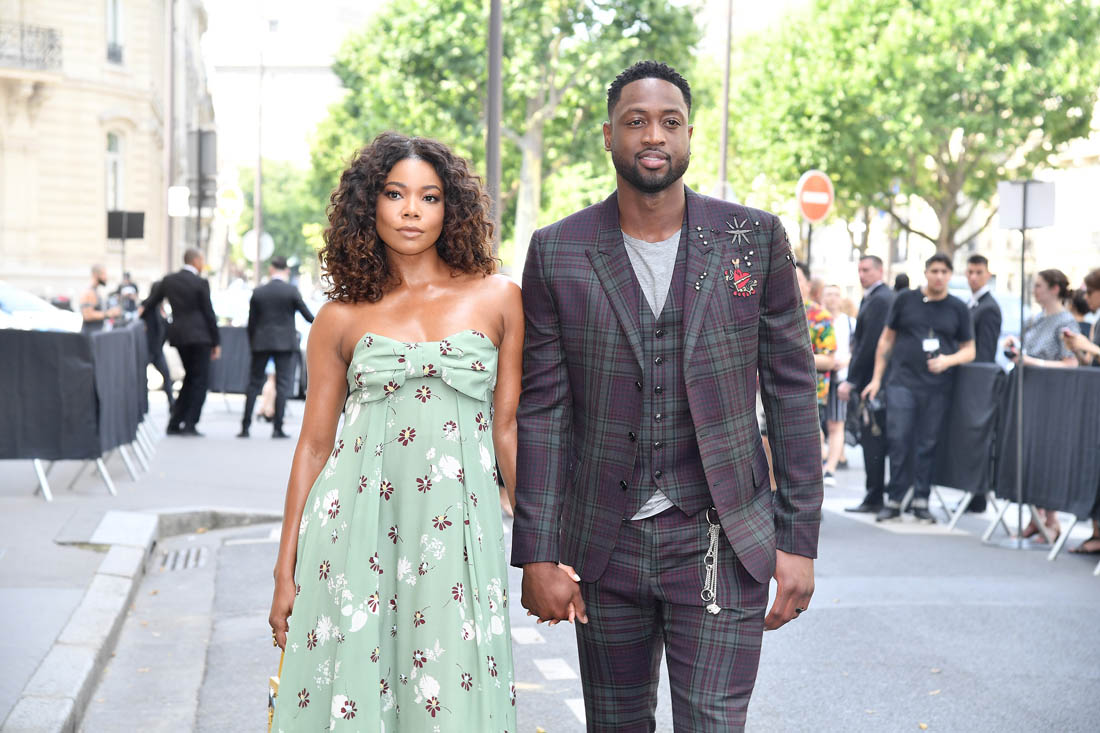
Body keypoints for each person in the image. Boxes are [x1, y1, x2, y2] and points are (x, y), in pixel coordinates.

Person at [512, 61, 822, 731]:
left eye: (669, 121)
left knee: (713, 722)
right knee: (616, 723)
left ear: (688, 135)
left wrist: (799, 540)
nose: (653, 135)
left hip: (721, 538)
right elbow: (543, 412)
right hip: (604, 543)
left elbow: (793, 393)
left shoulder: (753, 239)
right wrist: (536, 551)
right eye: (636, 121)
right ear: (609, 135)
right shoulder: (558, 250)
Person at [268, 133, 521, 731]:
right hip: (354, 532)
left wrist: (547, 549)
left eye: (429, 197)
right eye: (394, 194)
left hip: (458, 532)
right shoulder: (339, 317)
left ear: (450, 208)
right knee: (357, 690)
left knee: (450, 696)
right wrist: (285, 570)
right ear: (369, 205)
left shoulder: (499, 298)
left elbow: (508, 429)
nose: (412, 210)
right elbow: (313, 447)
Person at [863, 253, 975, 523]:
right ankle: (895, 499)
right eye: (934, 271)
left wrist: (947, 360)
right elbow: (886, 340)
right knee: (899, 439)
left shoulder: (958, 307)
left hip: (938, 386)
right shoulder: (905, 299)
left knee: (928, 442)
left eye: (944, 272)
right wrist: (877, 379)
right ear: (926, 272)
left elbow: (969, 350)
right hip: (902, 382)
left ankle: (921, 499)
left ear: (950, 275)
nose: (939, 276)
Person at [1003, 268, 1079, 541]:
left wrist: (1035, 362)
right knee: (1030, 452)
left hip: (1052, 396)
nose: (1035, 291)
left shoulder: (1065, 321)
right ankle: (1036, 517)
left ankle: (1050, 519)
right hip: (1030, 393)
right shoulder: (1035, 319)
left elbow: (1071, 363)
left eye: (1039, 286)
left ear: (1054, 289)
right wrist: (1016, 346)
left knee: (1048, 453)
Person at [142, 249, 221, 436]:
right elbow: (209, 313)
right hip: (201, 337)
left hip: (180, 336)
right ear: (195, 260)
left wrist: (142, 319)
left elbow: (150, 303)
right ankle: (190, 423)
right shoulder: (200, 282)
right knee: (200, 380)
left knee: (191, 378)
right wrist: (216, 341)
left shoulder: (169, 280)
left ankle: (176, 421)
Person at [838, 255, 895, 513]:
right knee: (873, 439)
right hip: (874, 379)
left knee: (873, 439)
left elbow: (869, 344)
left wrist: (852, 380)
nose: (862, 275)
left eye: (867, 270)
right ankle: (874, 494)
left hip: (873, 381)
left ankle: (874, 496)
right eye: (859, 270)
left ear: (880, 271)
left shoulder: (880, 299)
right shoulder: (875, 297)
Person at [237, 255, 314, 439]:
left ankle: (245, 427)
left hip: (261, 343)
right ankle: (277, 428)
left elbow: (251, 323)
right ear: (286, 270)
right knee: (282, 384)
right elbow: (308, 316)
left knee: (254, 384)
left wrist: (253, 342)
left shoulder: (259, 292)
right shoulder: (291, 291)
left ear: (271, 269)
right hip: (285, 343)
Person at [794, 263, 837, 481]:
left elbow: (829, 360)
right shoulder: (769, 312)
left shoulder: (820, 316)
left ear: (808, 285)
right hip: (769, 392)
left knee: (805, 452)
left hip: (810, 394)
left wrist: (790, 358)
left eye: (797, 278)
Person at [822, 284, 856, 482]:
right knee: (816, 424)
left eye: (836, 294)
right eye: (829, 294)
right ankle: (822, 459)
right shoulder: (816, 319)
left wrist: (846, 361)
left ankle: (830, 468)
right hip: (818, 379)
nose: (832, 298)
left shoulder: (850, 323)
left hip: (839, 379)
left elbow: (857, 349)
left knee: (836, 423)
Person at [139, 287, 175, 410]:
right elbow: (139, 317)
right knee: (143, 378)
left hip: (158, 350)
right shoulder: (148, 305)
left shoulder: (161, 308)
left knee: (166, 375)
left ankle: (171, 403)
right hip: (149, 349)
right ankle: (143, 405)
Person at [966, 254, 1002, 364]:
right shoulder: (971, 302)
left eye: (979, 272)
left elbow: (985, 354)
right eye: (970, 272)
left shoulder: (989, 309)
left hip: (976, 370)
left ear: (988, 275)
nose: (973, 277)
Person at [79, 264, 121, 335]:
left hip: (96, 335)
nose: (106, 277)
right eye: (104, 274)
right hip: (89, 336)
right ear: (96, 275)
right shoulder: (89, 292)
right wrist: (109, 313)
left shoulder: (96, 291)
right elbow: (87, 315)